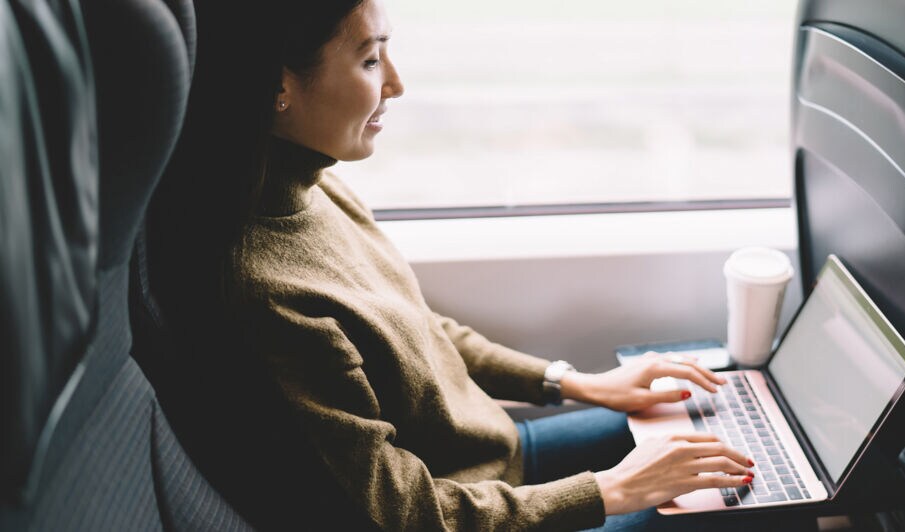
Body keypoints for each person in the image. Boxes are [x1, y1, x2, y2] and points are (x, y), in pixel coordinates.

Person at [147, 0, 815, 530]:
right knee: (727, 508)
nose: (398, 84)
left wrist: (578, 382)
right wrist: (612, 492)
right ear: (277, 88)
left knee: (706, 412)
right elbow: (396, 513)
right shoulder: (262, 290)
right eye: (371, 60)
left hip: (493, 466)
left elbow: (422, 327)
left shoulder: (312, 186)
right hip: (455, 510)